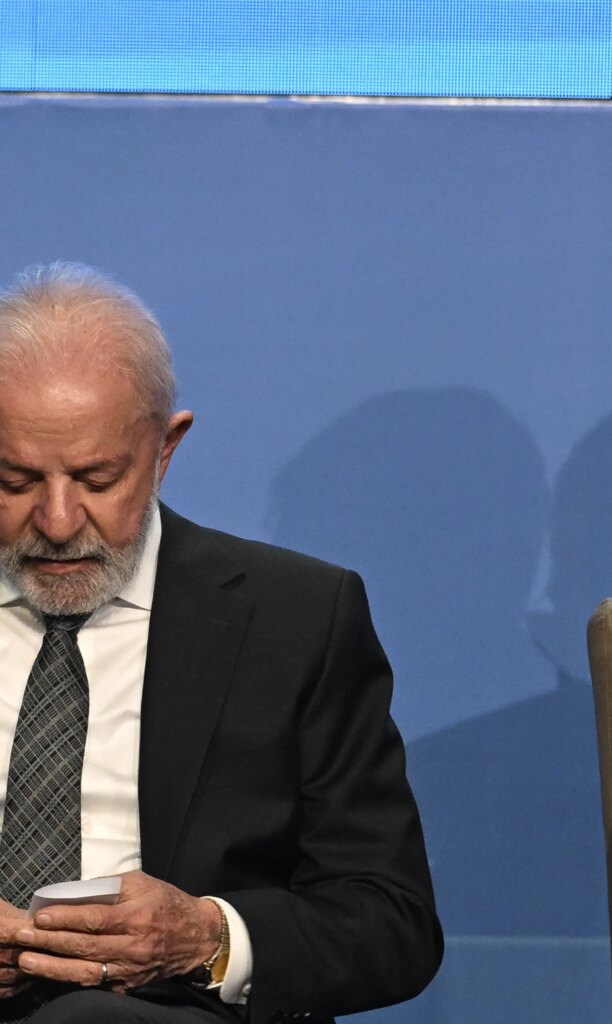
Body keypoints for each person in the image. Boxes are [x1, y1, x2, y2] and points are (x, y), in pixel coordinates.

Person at [0, 263, 442, 1023]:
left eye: (98, 480)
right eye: (15, 481)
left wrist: (208, 938)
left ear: (166, 449)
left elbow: (390, 921)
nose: (59, 521)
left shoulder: (294, 618)